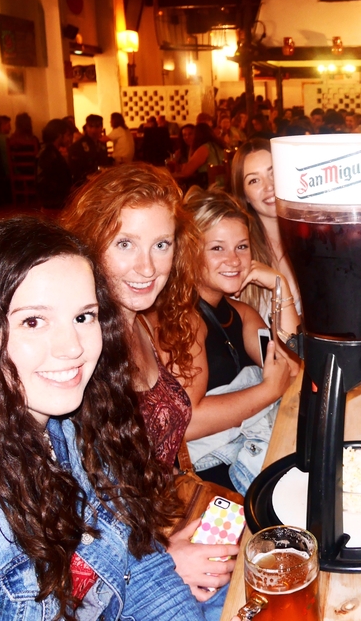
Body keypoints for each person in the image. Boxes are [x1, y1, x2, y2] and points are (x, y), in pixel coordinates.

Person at [0, 216, 214, 620]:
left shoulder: (78, 425)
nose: (72, 348)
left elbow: (138, 566)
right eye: (33, 321)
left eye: (83, 317)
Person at [61, 164, 235, 607]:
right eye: (125, 244)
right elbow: (71, 518)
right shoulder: (77, 351)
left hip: (160, 529)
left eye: (161, 244)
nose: (147, 267)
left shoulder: (136, 321)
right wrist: (163, 561)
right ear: (89, 243)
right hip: (118, 577)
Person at [181, 188, 298, 493]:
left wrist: (280, 287)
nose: (233, 260)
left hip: (252, 451)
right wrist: (268, 390)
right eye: (217, 248)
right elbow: (187, 422)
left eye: (241, 247)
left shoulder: (241, 314)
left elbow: (292, 368)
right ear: (190, 252)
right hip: (216, 473)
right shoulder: (185, 319)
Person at [230, 139, 301, 318]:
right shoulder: (239, 250)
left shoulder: (315, 237)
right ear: (244, 195)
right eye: (254, 180)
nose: (269, 186)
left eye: (274, 172)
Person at [36, 118, 73, 210]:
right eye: (67, 135)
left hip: (56, 199)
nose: (69, 139)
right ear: (59, 136)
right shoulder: (48, 154)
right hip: (54, 203)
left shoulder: (50, 151)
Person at [68, 114, 109, 188]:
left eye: (97, 127)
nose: (93, 130)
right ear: (86, 127)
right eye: (91, 126)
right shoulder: (78, 146)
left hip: (100, 182)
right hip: (84, 185)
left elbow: (104, 163)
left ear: (101, 128)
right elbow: (75, 170)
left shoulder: (102, 145)